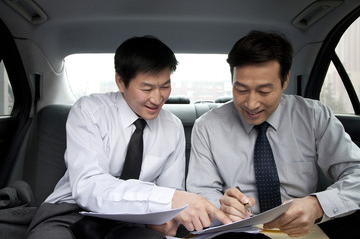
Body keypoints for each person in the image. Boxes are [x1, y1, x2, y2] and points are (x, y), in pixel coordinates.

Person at [26, 35, 231, 239]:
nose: (157, 98)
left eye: (165, 86)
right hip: (71, 210)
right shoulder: (90, 110)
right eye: (147, 88)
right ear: (121, 82)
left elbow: (171, 191)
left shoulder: (173, 127)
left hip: (136, 219)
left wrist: (168, 217)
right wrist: (167, 199)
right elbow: (89, 186)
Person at [186, 30, 360, 238]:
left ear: (285, 81)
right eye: (240, 89)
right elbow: (201, 193)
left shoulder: (314, 116)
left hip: (307, 225)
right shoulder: (207, 126)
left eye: (264, 91)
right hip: (241, 230)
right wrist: (223, 208)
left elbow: (356, 172)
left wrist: (317, 205)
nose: (251, 103)